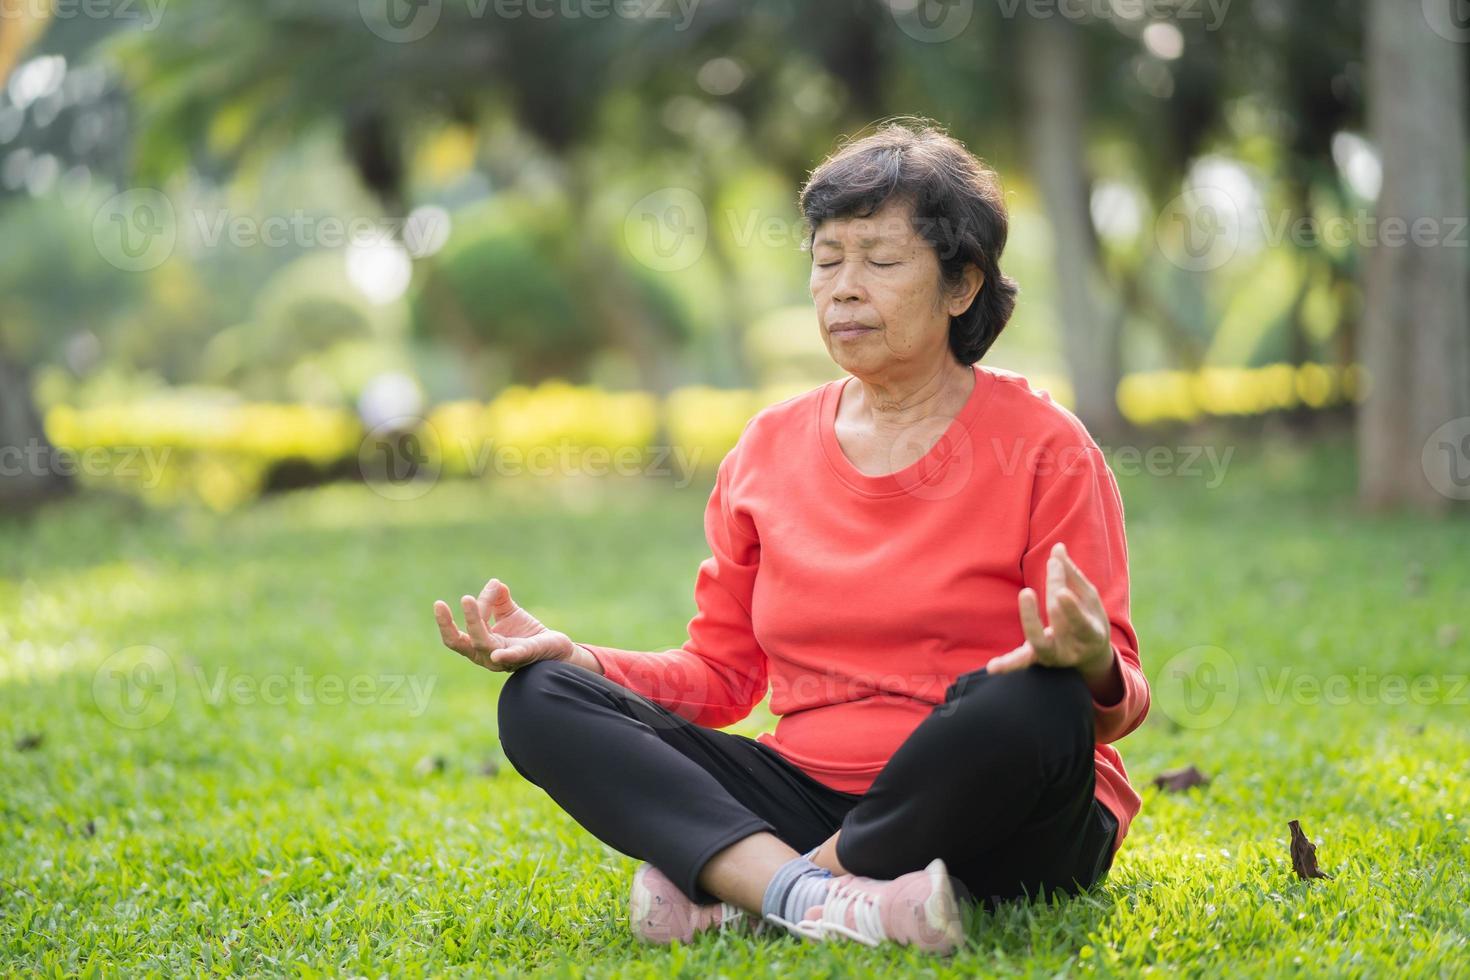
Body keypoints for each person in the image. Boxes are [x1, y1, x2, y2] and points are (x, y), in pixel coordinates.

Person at [433, 118, 1149, 956]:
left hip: (1000, 821)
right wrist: (580, 659)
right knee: (541, 700)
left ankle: (764, 888)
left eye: (880, 261)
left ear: (961, 286)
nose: (844, 288)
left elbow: (1114, 707)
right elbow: (722, 676)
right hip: (808, 789)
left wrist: (1091, 661)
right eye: (825, 260)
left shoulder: (1045, 447)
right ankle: (821, 896)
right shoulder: (766, 449)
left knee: (1037, 694)